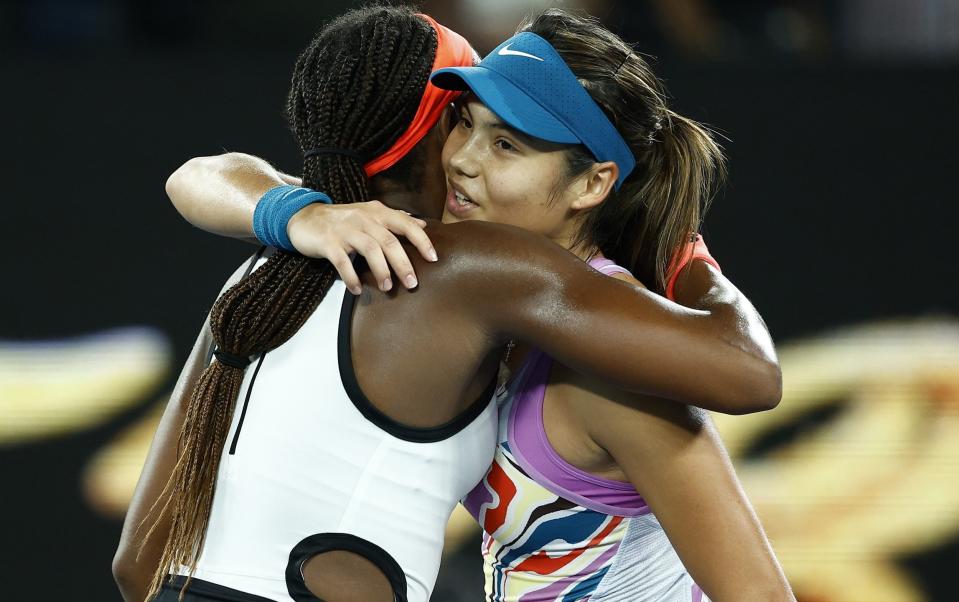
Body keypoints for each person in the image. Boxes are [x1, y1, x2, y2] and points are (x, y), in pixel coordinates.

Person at [117, 6, 784, 602]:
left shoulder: (575, 337)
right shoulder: (411, 261)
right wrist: (299, 213)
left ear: (593, 183)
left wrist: (688, 259)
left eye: (505, 144)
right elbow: (204, 175)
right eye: (461, 125)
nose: (462, 159)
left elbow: (755, 583)